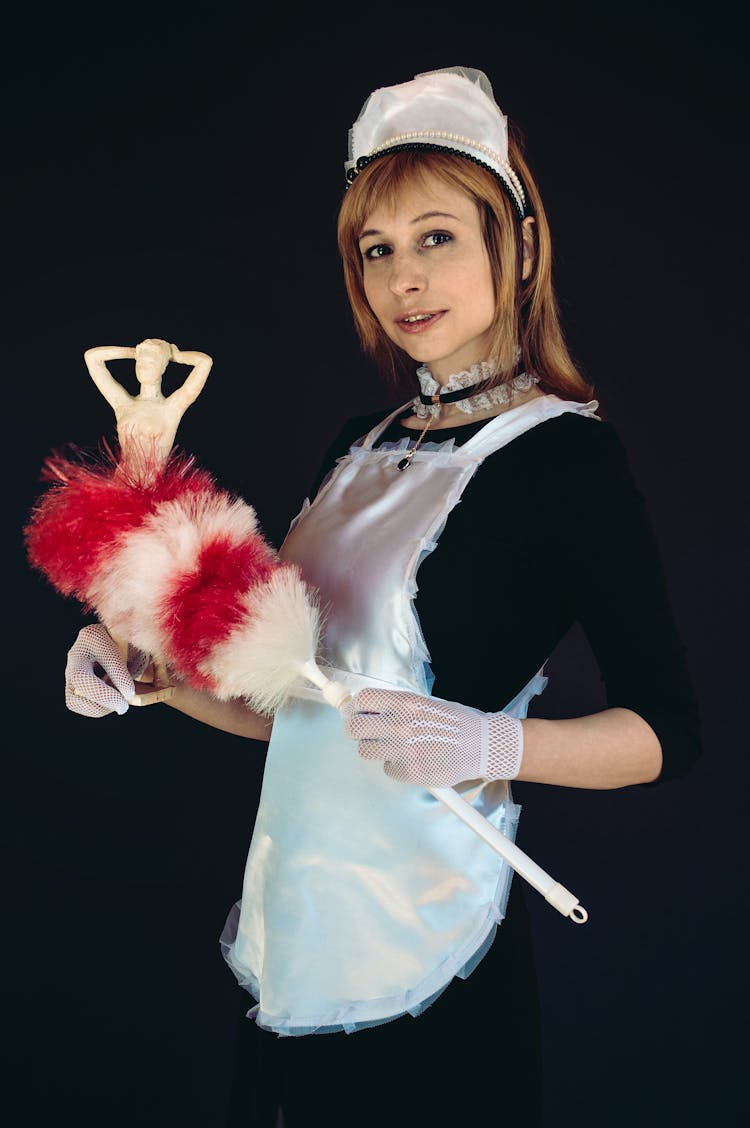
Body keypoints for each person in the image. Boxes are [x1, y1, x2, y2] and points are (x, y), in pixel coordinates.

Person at [58, 67, 702, 1126]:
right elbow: (301, 714)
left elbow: (666, 733)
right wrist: (155, 680)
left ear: (519, 242)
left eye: (438, 236)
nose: (405, 278)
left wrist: (493, 747)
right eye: (378, 249)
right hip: (292, 939)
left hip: (435, 957)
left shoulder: (564, 465)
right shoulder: (353, 451)